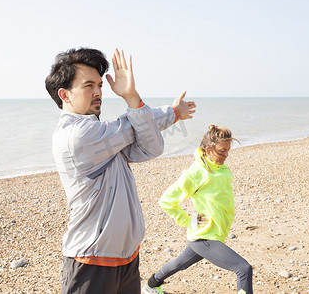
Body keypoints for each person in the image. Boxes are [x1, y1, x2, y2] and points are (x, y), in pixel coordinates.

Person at [45, 47, 196, 294]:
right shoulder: (77, 136)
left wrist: (171, 114)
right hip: (90, 262)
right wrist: (137, 99)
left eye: (100, 85)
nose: (98, 92)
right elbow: (132, 127)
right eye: (88, 85)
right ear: (65, 95)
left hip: (126, 258)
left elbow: (151, 146)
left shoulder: (104, 136)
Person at [142, 124, 253, 294]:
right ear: (208, 150)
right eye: (222, 151)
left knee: (180, 264)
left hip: (214, 233)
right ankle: (151, 286)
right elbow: (167, 200)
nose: (226, 155)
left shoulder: (221, 169)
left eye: (228, 150)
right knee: (243, 269)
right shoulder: (196, 172)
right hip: (205, 236)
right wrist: (188, 220)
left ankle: (151, 285)